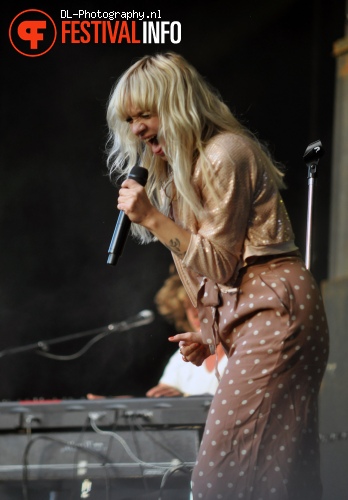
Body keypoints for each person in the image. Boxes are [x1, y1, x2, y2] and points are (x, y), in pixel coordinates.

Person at [106, 52, 329, 500]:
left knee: (220, 477)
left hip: (275, 313)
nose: (136, 130)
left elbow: (223, 263)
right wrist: (209, 332)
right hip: (256, 315)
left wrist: (151, 217)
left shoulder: (225, 153)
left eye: (145, 115)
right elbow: (216, 267)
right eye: (129, 120)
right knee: (278, 477)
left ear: (177, 106)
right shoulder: (186, 168)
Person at [146, 266, 227, 398]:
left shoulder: (243, 346)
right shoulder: (179, 359)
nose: (194, 314)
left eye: (200, 304)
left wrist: (184, 398)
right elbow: (158, 402)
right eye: (187, 307)